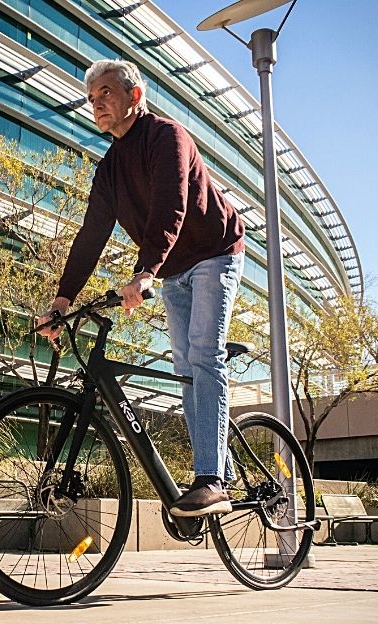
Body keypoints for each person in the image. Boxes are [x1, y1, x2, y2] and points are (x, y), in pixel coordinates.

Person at [37, 59, 245, 518]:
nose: (97, 104)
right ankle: (219, 474)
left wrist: (145, 270)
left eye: (106, 93)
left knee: (203, 354)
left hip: (215, 252)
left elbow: (171, 204)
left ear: (134, 96)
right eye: (92, 99)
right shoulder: (109, 169)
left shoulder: (166, 136)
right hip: (171, 269)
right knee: (184, 367)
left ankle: (212, 480)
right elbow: (91, 234)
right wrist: (62, 299)